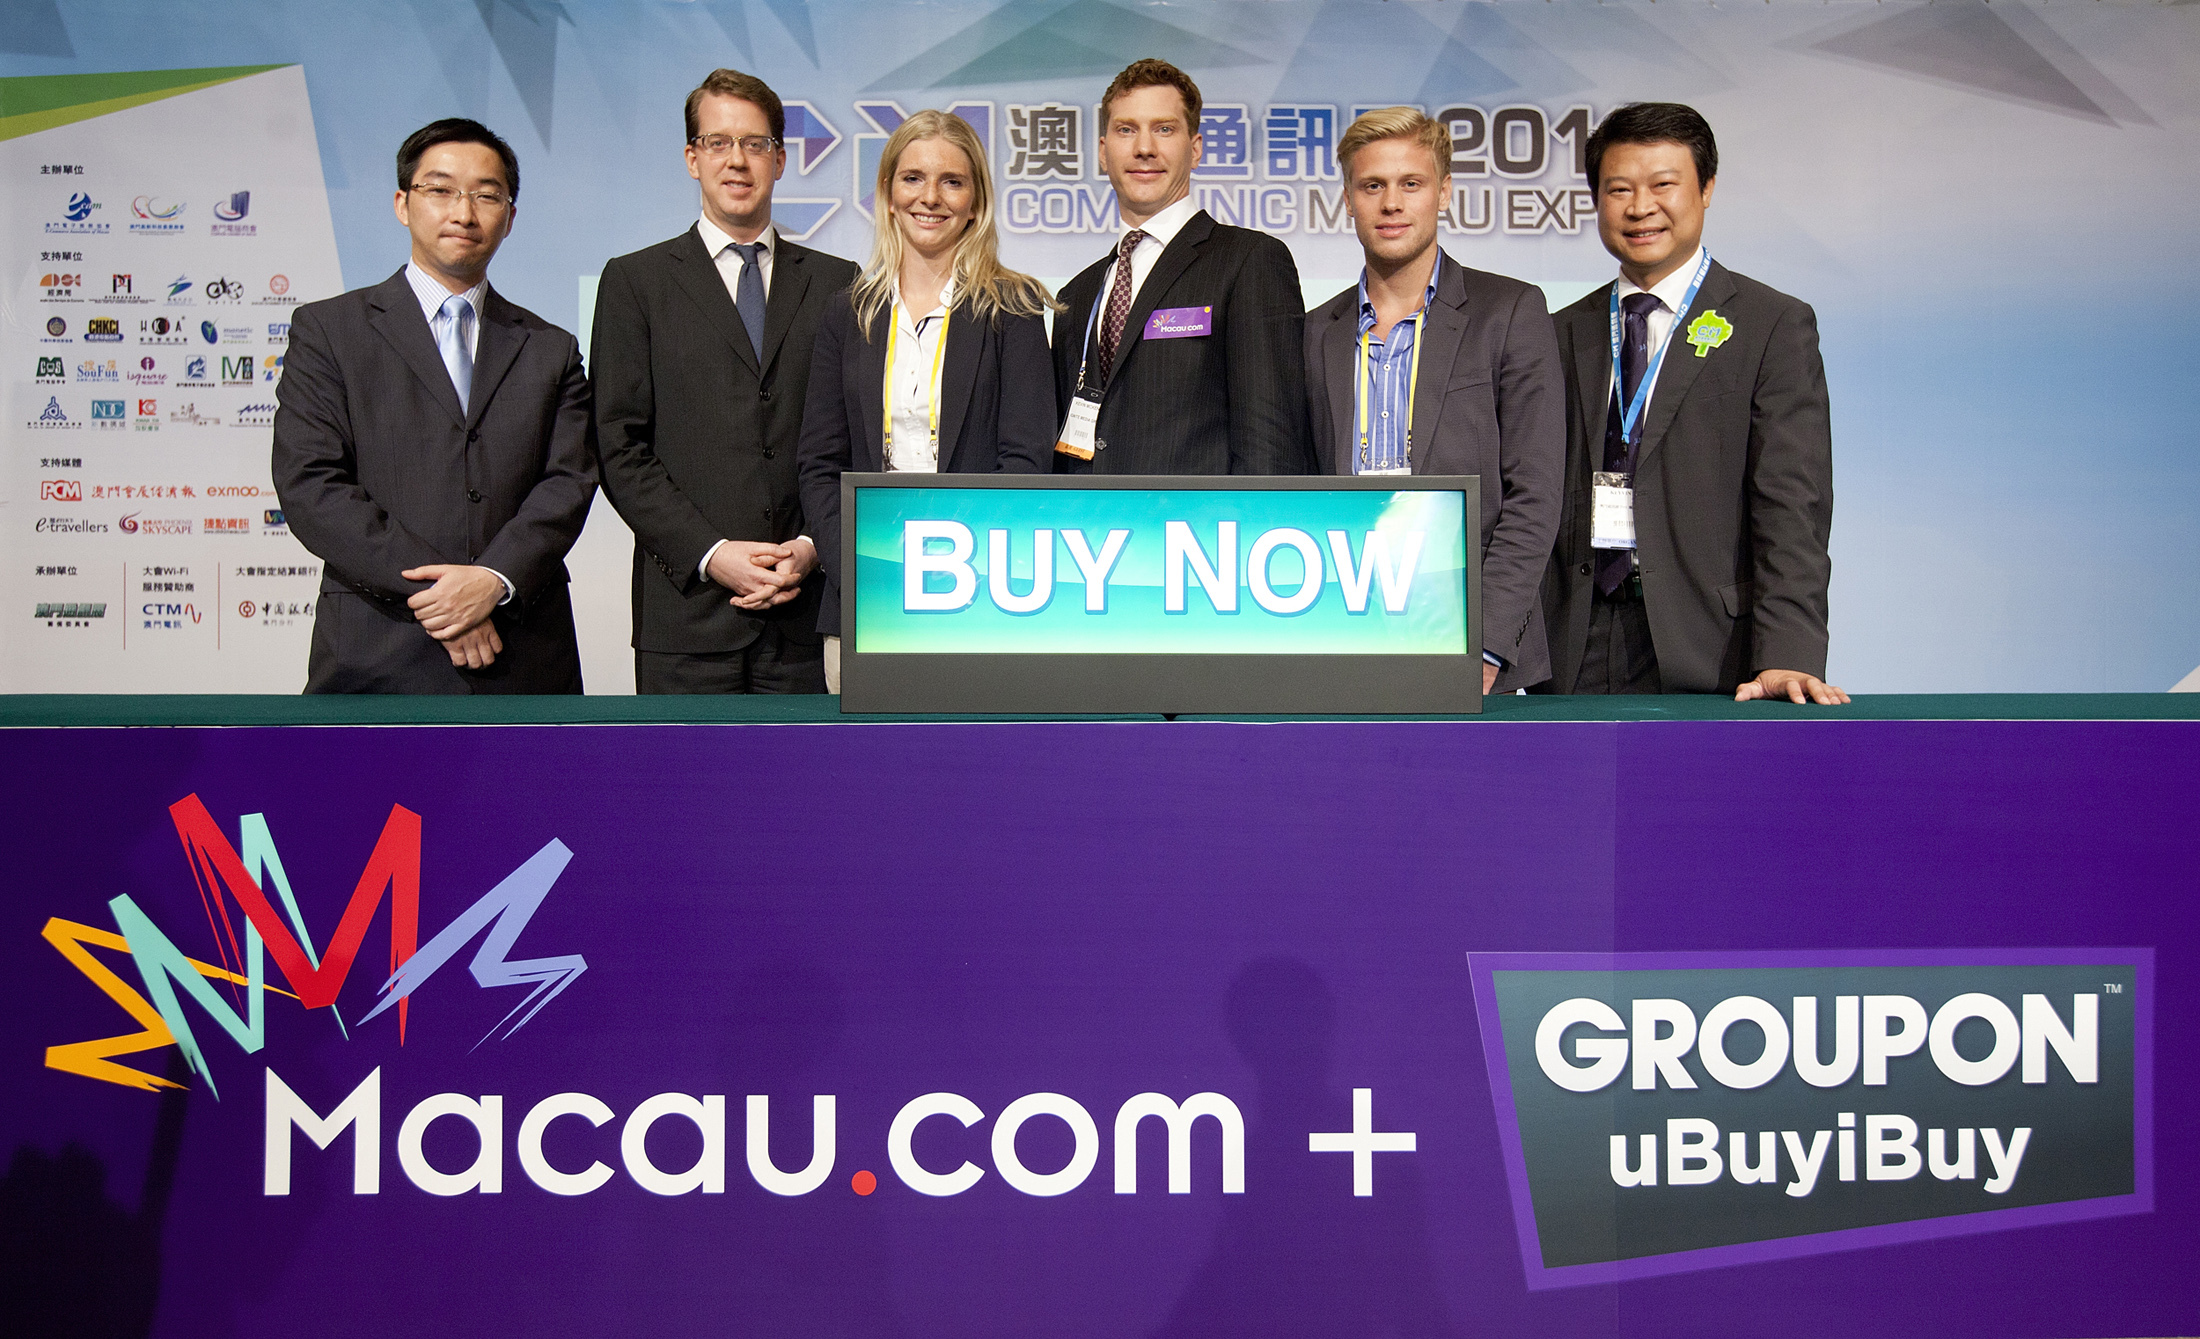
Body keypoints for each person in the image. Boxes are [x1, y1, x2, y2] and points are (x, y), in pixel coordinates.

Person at [272, 118, 594, 694]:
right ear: (403, 204)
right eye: (440, 190)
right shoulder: (329, 331)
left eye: (486, 195)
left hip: (523, 651)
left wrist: (492, 580)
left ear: (510, 218)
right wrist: (442, 597)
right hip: (378, 649)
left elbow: (567, 482)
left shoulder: (551, 348)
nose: (463, 212)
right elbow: (311, 484)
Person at [1539, 103, 1846, 704]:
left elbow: (1793, 506)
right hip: (1573, 644)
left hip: (1714, 648)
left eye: (1663, 185)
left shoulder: (1771, 325)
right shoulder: (1558, 330)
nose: (1640, 207)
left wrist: (1788, 653)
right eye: (1618, 189)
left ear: (1706, 190)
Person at [593, 68, 859, 693]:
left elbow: (855, 438)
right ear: (693, 158)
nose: (737, 160)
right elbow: (618, 447)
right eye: (718, 142)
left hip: (805, 608)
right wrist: (712, 554)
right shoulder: (636, 282)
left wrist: (813, 544)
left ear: (781, 159)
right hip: (686, 617)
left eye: (755, 144)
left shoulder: (839, 282)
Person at [1304, 107, 1565, 695]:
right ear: (1348, 200)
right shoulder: (1316, 330)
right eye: (1372, 186)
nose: (1391, 204)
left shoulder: (1509, 312)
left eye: (1411, 183)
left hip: (1469, 640)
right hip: (1344, 631)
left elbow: (1535, 494)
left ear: (1444, 192)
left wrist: (1486, 643)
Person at [797, 111, 1059, 692]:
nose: (930, 197)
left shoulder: (1011, 309)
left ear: (975, 201)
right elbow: (819, 465)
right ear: (888, 193)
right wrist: (860, 569)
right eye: (912, 178)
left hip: (980, 599)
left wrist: (953, 571)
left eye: (952, 181)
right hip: (864, 601)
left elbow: (1025, 463)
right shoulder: (848, 312)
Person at [1049, 58, 1312, 475]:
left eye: (1164, 129)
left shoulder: (1249, 261)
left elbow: (1270, 444)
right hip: (1089, 516)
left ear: (1195, 148)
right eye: (1126, 129)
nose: (1144, 148)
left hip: (1201, 518)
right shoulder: (1077, 295)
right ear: (1103, 152)